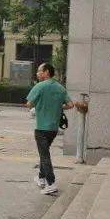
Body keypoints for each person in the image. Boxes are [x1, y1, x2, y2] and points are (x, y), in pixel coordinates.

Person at [26, 62, 74, 196]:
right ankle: (41, 178)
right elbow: (70, 105)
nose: (37, 74)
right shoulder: (60, 88)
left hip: (41, 128)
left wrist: (39, 105)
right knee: (44, 153)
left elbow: (29, 104)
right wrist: (57, 107)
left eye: (39, 71)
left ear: (46, 72)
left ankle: (51, 183)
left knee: (44, 156)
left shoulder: (39, 86)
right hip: (53, 129)